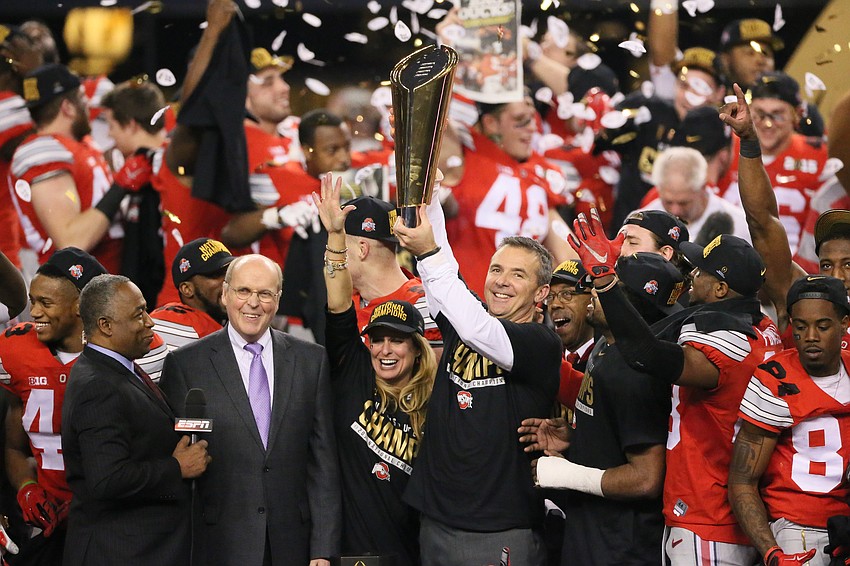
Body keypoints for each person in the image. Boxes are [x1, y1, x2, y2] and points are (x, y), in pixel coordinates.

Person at [569, 211, 783, 566]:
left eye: (702, 270)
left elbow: (646, 354)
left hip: (707, 514)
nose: (692, 273)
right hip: (720, 510)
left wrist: (606, 282)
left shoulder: (727, 341)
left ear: (721, 289)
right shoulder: (759, 325)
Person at [394, 207, 561, 565]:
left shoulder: (540, 343)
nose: (501, 281)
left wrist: (428, 251)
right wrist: (430, 198)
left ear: (541, 292)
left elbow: (478, 330)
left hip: (497, 527)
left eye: (518, 275)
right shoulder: (471, 318)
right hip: (436, 518)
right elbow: (443, 283)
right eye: (497, 269)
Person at [159, 254, 341, 566]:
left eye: (265, 294)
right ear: (225, 294)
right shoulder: (186, 365)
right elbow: (175, 467)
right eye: (243, 291)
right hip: (218, 545)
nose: (253, 303)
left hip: (293, 544)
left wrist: (323, 549)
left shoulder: (311, 360)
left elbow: (322, 462)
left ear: (278, 299)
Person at [525, 252, 681, 565]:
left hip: (622, 544)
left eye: (609, 286)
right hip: (591, 530)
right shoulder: (606, 343)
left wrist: (569, 475)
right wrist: (576, 437)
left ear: (630, 305)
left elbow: (647, 478)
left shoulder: (635, 373)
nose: (595, 290)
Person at [316, 174, 436, 565]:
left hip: (414, 499)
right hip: (355, 503)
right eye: (378, 340)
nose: (385, 349)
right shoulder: (352, 312)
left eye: (340, 246)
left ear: (362, 248)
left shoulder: (428, 308)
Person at [61, 273, 210, 566]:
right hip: (119, 552)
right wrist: (176, 467)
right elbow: (107, 479)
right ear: (105, 326)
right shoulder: (98, 385)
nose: (150, 322)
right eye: (138, 314)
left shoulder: (117, 367)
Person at [718, 83, 850, 351]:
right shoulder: (800, 302)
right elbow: (762, 222)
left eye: (848, 265)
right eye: (826, 265)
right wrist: (750, 143)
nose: (836, 275)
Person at [729, 275, 850, 566]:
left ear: (844, 324)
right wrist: (773, 553)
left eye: (822, 326)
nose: (810, 336)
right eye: (800, 326)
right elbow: (742, 481)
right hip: (798, 530)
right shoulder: (774, 379)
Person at [0, 248, 107, 564]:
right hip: (45, 522)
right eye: (34, 301)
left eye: (45, 303)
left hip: (111, 520)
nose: (34, 313)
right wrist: (27, 488)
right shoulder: (14, 350)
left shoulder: (130, 351)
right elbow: (13, 447)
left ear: (80, 307)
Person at [10, 64, 149, 274]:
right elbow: (71, 240)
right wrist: (121, 185)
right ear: (68, 107)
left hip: (109, 280)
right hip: (78, 289)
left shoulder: (80, 142)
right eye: (83, 99)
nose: (88, 107)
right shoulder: (43, 151)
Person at [436, 94, 576, 297]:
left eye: (532, 119)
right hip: (464, 302)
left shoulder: (539, 173)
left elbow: (567, 256)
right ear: (491, 123)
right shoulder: (467, 151)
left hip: (522, 315)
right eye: (520, 121)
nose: (532, 128)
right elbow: (432, 123)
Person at [720, 72, 828, 254]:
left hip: (793, 267)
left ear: (796, 114)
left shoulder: (819, 155)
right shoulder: (725, 147)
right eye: (760, 114)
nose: (768, 124)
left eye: (777, 115)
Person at [340, 195, 441, 348]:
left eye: (337, 245)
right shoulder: (345, 303)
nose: (329, 255)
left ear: (362, 249)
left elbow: (432, 371)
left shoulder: (425, 307)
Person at [641, 146, 751, 245]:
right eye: (668, 202)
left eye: (683, 203)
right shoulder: (640, 225)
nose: (675, 211)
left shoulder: (738, 226)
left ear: (703, 187)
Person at [150, 237, 233, 351]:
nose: (227, 281)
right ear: (187, 289)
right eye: (215, 275)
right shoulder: (176, 326)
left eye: (229, 272)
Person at [547, 259, 593, 371]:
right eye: (550, 296)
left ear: (593, 299)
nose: (555, 304)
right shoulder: (545, 359)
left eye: (567, 294)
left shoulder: (610, 357)